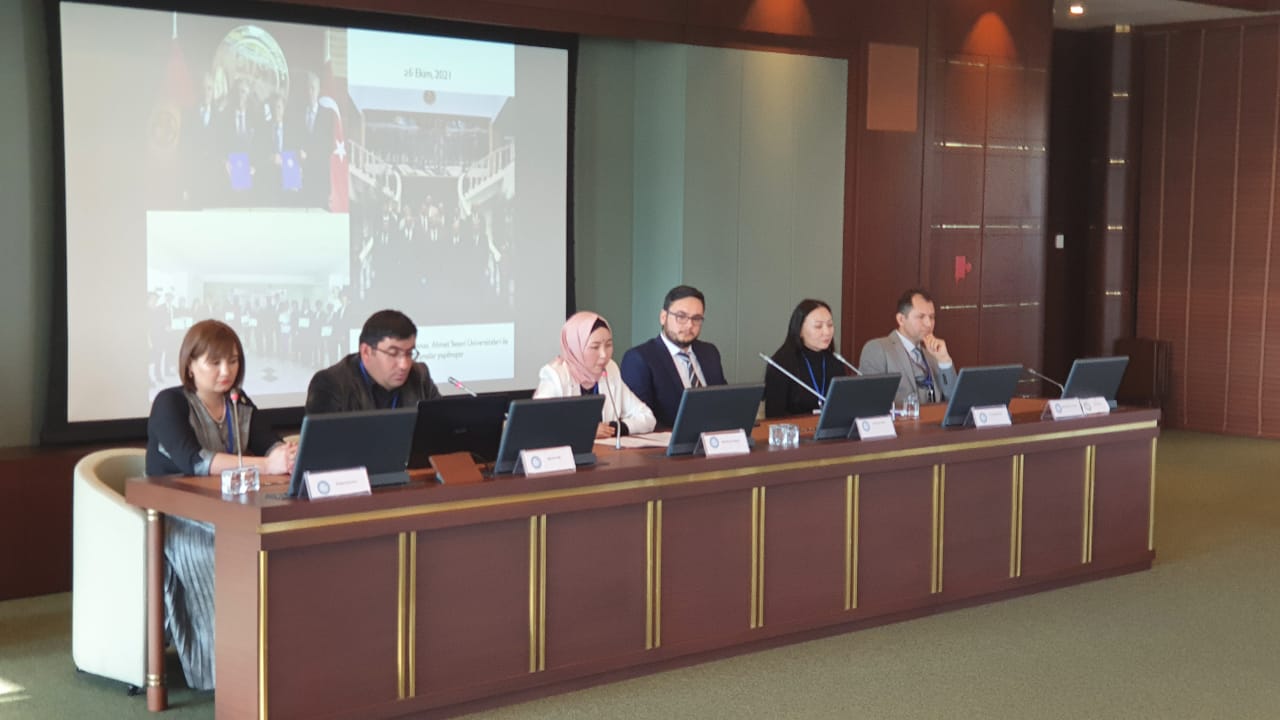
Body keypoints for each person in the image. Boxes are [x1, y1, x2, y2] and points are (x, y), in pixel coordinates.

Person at [145, 319, 296, 691]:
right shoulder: (170, 403)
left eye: (233, 361)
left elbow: (269, 442)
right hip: (180, 516)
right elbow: (194, 461)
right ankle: (225, 671)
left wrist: (286, 453)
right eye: (214, 362)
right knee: (228, 549)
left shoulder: (237, 402)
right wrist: (267, 465)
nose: (226, 371)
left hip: (231, 511)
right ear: (190, 365)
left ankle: (276, 656)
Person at [620, 285, 727, 429]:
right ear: (663, 317)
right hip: (668, 440)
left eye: (696, 318)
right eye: (681, 317)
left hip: (715, 437)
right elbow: (641, 420)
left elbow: (724, 403)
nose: (689, 325)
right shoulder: (639, 359)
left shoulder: (710, 353)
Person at [535, 311, 656, 437]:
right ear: (576, 347)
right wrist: (585, 430)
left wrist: (615, 428)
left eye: (608, 345)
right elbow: (540, 425)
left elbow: (647, 417)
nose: (604, 355)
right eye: (595, 347)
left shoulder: (610, 369)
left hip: (606, 448)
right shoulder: (556, 375)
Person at [305, 309, 441, 413]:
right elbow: (325, 440)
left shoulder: (419, 376)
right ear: (366, 352)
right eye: (393, 353)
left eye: (409, 353)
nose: (404, 365)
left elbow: (441, 427)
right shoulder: (330, 384)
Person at [858, 288, 957, 404]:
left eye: (931, 317)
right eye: (921, 317)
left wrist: (944, 360)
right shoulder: (878, 349)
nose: (928, 324)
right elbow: (870, 401)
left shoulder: (933, 355)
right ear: (901, 319)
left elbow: (954, 399)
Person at [764, 299, 848, 418]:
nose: (827, 332)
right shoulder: (781, 364)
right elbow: (774, 416)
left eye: (830, 325)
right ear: (799, 331)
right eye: (818, 326)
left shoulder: (835, 362)